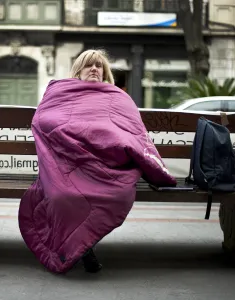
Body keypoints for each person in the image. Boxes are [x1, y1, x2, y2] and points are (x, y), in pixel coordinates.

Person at [18, 49, 177, 274]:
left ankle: (83, 246)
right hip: (68, 165)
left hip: (108, 166)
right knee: (62, 195)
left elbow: (133, 131)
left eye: (99, 66)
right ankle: (84, 248)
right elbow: (43, 120)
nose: (94, 69)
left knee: (118, 194)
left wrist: (105, 136)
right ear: (78, 70)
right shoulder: (60, 92)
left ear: (105, 72)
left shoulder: (118, 96)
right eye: (88, 65)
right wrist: (76, 132)